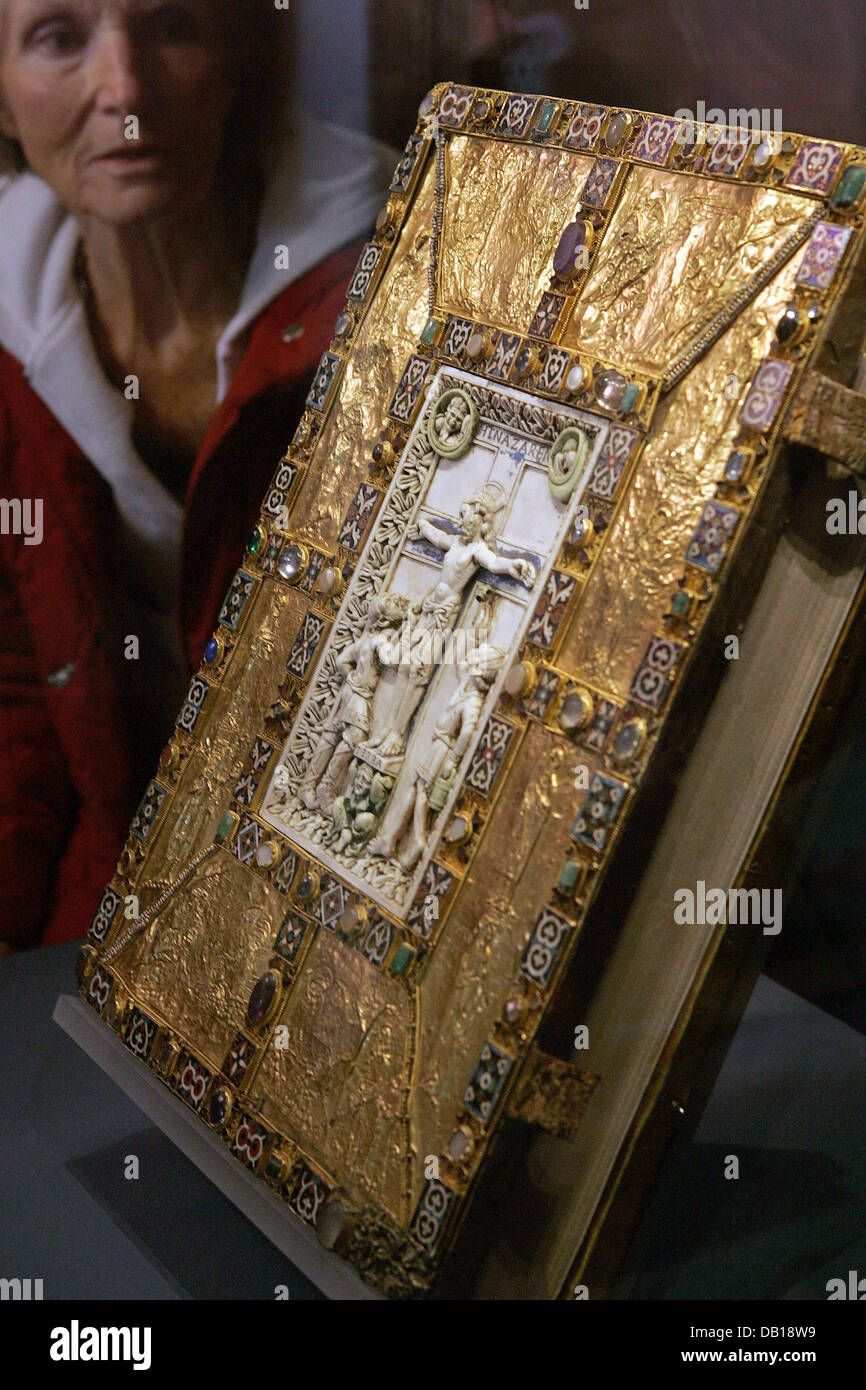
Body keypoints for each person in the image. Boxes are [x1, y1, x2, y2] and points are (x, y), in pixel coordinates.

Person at [0, 0, 396, 949]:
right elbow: (15, 698)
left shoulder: (399, 277)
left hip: (355, 890)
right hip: (113, 899)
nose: (124, 92)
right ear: (4, 103)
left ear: (239, 60)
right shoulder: (7, 338)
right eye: (60, 37)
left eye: (172, 25)